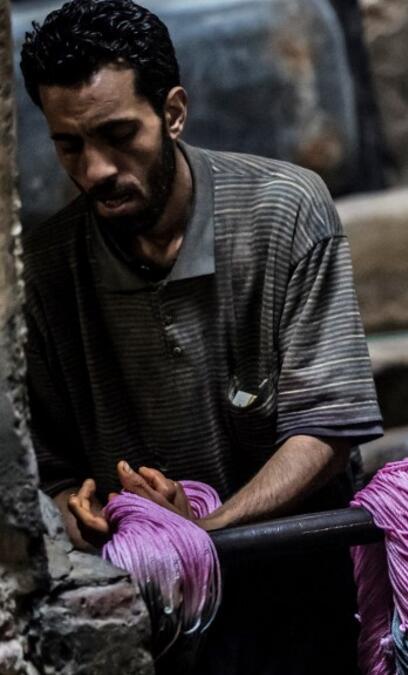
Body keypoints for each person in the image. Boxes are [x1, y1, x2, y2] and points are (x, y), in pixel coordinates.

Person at [19, 1, 382, 672]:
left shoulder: (286, 212)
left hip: (296, 579)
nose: (95, 168)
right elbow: (51, 466)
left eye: (118, 134)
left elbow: (328, 430)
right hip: (147, 606)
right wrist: (79, 506)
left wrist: (206, 527)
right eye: (70, 144)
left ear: (174, 112)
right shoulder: (43, 271)